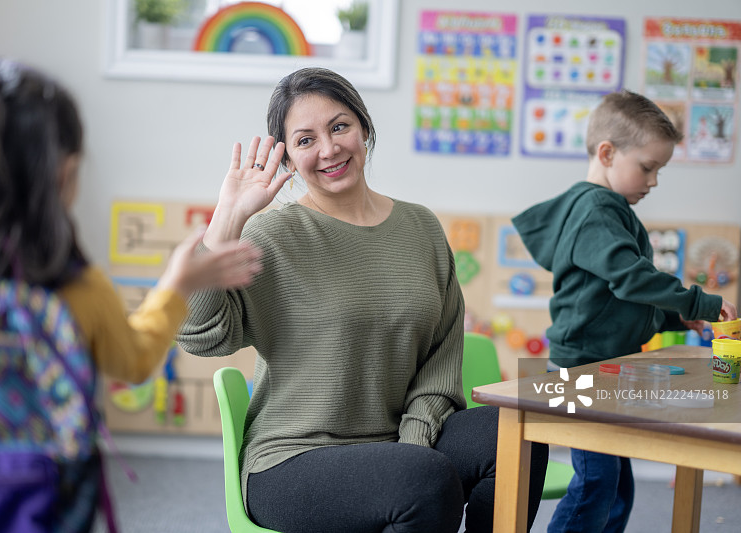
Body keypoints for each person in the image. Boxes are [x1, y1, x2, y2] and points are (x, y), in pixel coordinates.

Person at [177, 66, 548, 533]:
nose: (329, 149)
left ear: (364, 129)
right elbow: (198, 336)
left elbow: (440, 359)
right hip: (294, 458)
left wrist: (411, 443)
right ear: (287, 158)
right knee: (424, 481)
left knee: (516, 437)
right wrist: (226, 221)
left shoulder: (421, 228)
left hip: (399, 447)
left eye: (339, 127)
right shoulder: (271, 234)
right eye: (305, 139)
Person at [0, 59, 262, 530]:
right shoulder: (80, 290)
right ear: (65, 174)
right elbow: (133, 362)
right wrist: (177, 285)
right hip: (42, 502)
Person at [512, 89, 738, 533]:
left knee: (616, 484)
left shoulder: (604, 209)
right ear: (608, 153)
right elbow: (632, 279)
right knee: (598, 480)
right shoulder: (597, 210)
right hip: (579, 368)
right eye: (648, 167)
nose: (652, 181)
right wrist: (699, 303)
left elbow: (618, 297)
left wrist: (676, 318)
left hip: (600, 365)